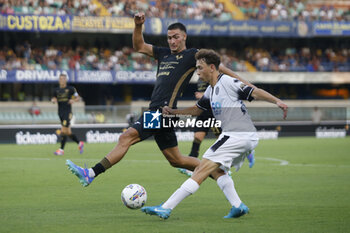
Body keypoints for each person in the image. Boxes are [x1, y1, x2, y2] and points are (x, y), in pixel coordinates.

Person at [65, 13, 255, 187]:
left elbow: (220, 68)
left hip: (160, 113)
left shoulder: (192, 55)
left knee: (126, 137)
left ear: (184, 37)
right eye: (169, 38)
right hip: (165, 114)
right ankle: (219, 172)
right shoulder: (163, 53)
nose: (172, 41)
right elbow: (139, 46)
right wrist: (138, 26)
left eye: (176, 37)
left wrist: (247, 85)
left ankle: (91, 173)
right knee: (177, 160)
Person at [141, 49, 288, 219]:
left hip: (238, 135)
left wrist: (277, 101)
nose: (197, 72)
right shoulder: (211, 90)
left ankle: (166, 207)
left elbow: (254, 91)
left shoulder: (227, 82)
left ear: (212, 67)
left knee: (201, 169)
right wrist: (173, 112)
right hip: (239, 137)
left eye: (200, 68)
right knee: (217, 171)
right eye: (196, 68)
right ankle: (237, 206)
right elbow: (197, 110)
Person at [178, 79, 255, 177]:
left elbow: (219, 94)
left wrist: (204, 97)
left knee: (223, 140)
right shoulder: (200, 77)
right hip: (203, 112)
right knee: (197, 137)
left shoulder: (214, 78)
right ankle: (190, 165)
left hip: (214, 112)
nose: (198, 71)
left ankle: (238, 158)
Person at [52, 74, 84, 156]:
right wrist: (53, 100)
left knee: (63, 130)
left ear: (66, 80)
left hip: (68, 112)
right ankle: (80, 143)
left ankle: (61, 150)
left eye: (63, 79)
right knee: (68, 132)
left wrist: (73, 100)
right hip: (60, 112)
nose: (62, 80)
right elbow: (54, 98)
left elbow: (78, 97)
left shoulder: (71, 89)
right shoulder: (56, 90)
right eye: (61, 79)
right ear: (59, 80)